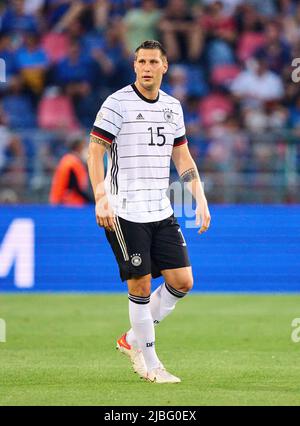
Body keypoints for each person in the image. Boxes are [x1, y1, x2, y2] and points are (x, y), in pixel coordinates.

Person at [87, 40, 211, 384]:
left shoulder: (173, 107)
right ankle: (151, 364)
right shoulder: (116, 103)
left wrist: (199, 197)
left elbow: (182, 157)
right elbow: (94, 152)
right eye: (140, 61)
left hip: (161, 209)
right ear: (134, 66)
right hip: (124, 210)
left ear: (164, 66)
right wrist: (101, 196)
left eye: (153, 62)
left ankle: (131, 338)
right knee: (140, 285)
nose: (146, 67)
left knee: (182, 282)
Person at [49, 138, 92, 206]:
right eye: (84, 146)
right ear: (79, 147)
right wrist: (91, 201)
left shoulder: (69, 160)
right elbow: (75, 187)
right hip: (67, 204)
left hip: (65, 203)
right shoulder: (71, 163)